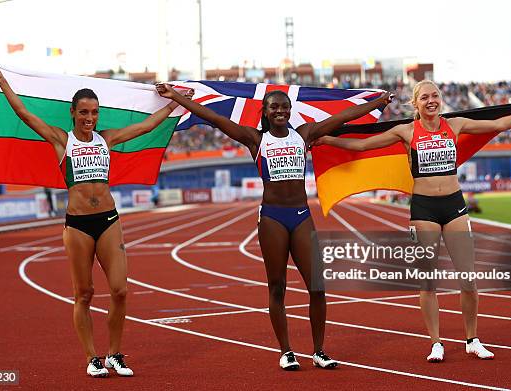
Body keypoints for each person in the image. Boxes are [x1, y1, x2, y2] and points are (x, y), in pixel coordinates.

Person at [157, 82, 392, 370]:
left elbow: (342, 117)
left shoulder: (304, 134)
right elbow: (213, 118)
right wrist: (177, 98)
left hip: (301, 214)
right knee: (277, 286)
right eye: (274, 107)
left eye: (284, 107)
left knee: (317, 287)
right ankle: (286, 351)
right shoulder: (255, 139)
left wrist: (377, 103)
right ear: (265, 112)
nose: (280, 111)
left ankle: (319, 351)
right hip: (272, 218)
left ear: (290, 111)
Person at [314, 80, 511, 363]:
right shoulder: (406, 131)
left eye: (435, 95)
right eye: (424, 97)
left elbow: (498, 125)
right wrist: (327, 140)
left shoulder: (457, 124)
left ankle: (472, 339)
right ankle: (436, 343)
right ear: (415, 103)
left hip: (454, 206)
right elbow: (363, 144)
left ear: (440, 100)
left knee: (469, 279)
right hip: (424, 209)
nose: (431, 100)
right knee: (427, 282)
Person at [0, 64, 192, 377]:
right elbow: (25, 115)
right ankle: (91, 357)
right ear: (73, 113)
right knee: (83, 294)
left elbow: (148, 126)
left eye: (94, 113)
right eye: (84, 113)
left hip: (108, 219)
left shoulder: (106, 139)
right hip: (78, 225)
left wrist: (175, 100)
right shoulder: (62, 141)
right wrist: (4, 84)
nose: (89, 119)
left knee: (120, 290)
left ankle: (115, 353)